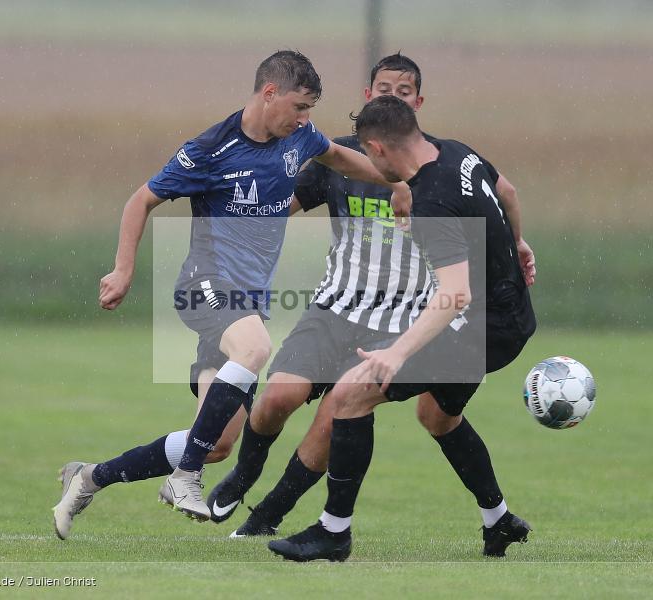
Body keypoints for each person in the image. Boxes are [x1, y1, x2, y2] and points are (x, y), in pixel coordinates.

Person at [52, 50, 410, 537]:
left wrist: (400, 176)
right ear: (269, 94)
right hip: (206, 285)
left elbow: (344, 159)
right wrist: (122, 270)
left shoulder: (300, 138)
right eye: (299, 108)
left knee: (216, 441)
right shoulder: (210, 150)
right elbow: (141, 200)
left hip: (245, 305)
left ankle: (90, 477)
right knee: (256, 348)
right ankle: (184, 478)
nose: (305, 120)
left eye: (309, 111)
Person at [208, 53, 511, 539]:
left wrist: (515, 244)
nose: (392, 95)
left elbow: (499, 193)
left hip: (401, 318)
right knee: (275, 400)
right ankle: (244, 475)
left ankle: (270, 513)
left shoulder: (436, 163)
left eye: (403, 90)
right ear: (368, 96)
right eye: (383, 88)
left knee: (334, 416)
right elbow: (282, 203)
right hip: (337, 305)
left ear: (418, 101)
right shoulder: (342, 156)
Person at [268, 95, 537, 562]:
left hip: (479, 329)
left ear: (378, 148)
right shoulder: (458, 153)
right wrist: (515, 244)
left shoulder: (430, 202)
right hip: (513, 318)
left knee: (352, 393)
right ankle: (499, 522)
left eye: (369, 158)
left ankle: (333, 533)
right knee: (437, 417)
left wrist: (396, 353)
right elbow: (508, 192)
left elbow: (455, 294)